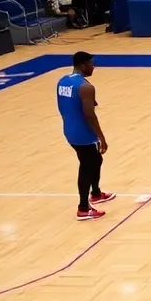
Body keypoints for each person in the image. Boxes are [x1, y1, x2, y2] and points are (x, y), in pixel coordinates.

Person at [56, 51, 114, 221]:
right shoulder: (86, 87)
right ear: (82, 66)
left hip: (69, 128)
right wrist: (101, 137)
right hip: (83, 132)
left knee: (96, 160)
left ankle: (95, 193)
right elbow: (90, 115)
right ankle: (83, 207)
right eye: (91, 64)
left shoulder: (62, 82)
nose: (93, 66)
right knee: (87, 165)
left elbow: (62, 105)